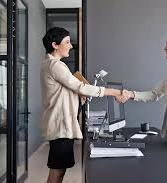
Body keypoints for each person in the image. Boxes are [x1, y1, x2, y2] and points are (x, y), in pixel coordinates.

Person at [40, 27, 122, 183]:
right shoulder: (55, 65)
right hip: (60, 128)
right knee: (57, 171)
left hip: (58, 126)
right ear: (55, 45)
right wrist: (113, 92)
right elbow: (80, 87)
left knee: (59, 170)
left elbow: (62, 93)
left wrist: (79, 99)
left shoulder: (48, 64)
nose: (71, 46)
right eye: (67, 42)